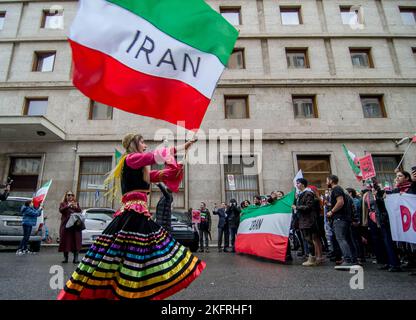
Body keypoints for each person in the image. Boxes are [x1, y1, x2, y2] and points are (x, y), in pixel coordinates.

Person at [57, 133, 205, 300]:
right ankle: (125, 292)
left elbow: (164, 175)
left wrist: (176, 167)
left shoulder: (142, 169)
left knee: (135, 255)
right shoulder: (131, 158)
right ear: (134, 144)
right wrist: (181, 147)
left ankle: (131, 291)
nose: (145, 145)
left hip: (137, 213)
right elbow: (155, 156)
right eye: (142, 141)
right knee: (137, 254)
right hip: (133, 213)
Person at [326, 175, 358, 268]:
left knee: (341, 238)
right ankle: (353, 259)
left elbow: (340, 202)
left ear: (331, 181)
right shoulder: (340, 190)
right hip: (345, 218)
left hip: (340, 218)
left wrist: (331, 211)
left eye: (327, 180)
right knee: (347, 239)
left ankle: (348, 260)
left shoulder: (336, 189)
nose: (326, 182)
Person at [292, 179, 320, 266]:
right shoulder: (302, 194)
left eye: (298, 183)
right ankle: (312, 258)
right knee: (307, 239)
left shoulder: (308, 193)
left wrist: (296, 207)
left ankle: (312, 259)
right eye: (296, 183)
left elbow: (308, 207)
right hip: (304, 220)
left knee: (308, 239)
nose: (297, 185)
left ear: (303, 184)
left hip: (307, 220)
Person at [58, 191, 82, 264]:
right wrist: (68, 205)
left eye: (72, 195)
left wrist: (76, 207)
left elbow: (79, 211)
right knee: (65, 241)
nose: (70, 196)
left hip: (75, 225)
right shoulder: (63, 204)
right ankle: (66, 258)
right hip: (66, 226)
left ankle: (76, 258)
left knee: (76, 241)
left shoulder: (76, 203)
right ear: (66, 196)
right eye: (68, 195)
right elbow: (61, 210)